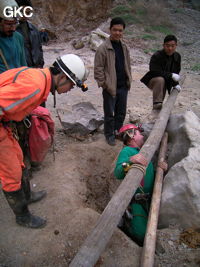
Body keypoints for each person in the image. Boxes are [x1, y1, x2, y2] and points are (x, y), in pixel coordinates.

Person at [0, 54, 88, 229]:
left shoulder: (39, 78)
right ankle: (22, 216)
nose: (70, 89)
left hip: (5, 122)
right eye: (71, 84)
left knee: (19, 161)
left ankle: (26, 195)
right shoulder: (35, 86)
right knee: (11, 172)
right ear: (62, 77)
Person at [114, 124, 167, 246]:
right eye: (139, 133)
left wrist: (160, 169)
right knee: (141, 233)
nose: (142, 135)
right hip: (137, 202)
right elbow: (118, 172)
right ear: (131, 136)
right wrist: (130, 160)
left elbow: (148, 175)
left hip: (149, 200)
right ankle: (126, 226)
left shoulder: (143, 153)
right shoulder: (127, 151)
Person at [94, 17, 132, 146]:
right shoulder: (103, 48)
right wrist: (105, 84)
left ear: (123, 32)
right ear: (110, 30)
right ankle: (109, 134)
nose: (117, 33)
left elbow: (128, 64)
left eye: (120, 30)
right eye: (115, 30)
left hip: (123, 86)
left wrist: (129, 80)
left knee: (121, 112)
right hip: (110, 87)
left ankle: (117, 131)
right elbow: (98, 69)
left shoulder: (124, 47)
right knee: (109, 113)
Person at [140, 35, 181, 118]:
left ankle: (160, 109)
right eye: (167, 46)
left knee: (163, 83)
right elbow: (154, 71)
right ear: (163, 45)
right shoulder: (157, 56)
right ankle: (157, 104)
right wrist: (171, 75)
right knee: (160, 80)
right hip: (153, 80)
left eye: (172, 46)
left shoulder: (177, 56)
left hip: (166, 81)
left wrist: (175, 84)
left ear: (176, 46)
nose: (170, 48)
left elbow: (176, 71)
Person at [16, 0, 44, 69]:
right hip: (21, 71)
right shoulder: (11, 32)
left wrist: (41, 64)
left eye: (27, 12)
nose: (24, 15)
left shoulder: (34, 29)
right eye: (21, 12)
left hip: (36, 69)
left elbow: (39, 49)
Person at [0, 0, 27, 73]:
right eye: (9, 24)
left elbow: (23, 65)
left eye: (15, 23)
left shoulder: (18, 37)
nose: (13, 28)